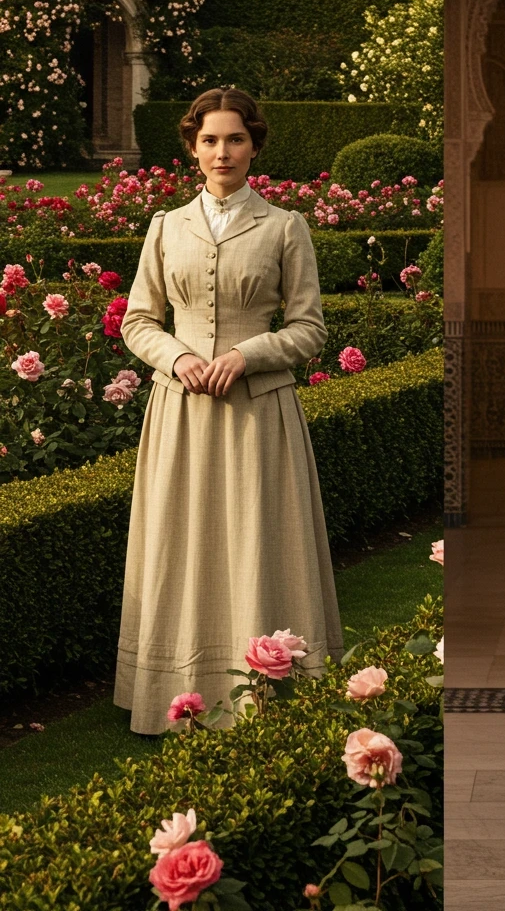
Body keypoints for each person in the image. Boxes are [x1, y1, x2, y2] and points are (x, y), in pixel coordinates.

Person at [113, 87, 343, 734]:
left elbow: (309, 328)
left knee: (257, 544)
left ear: (255, 146)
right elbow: (137, 320)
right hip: (180, 416)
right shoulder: (165, 227)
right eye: (210, 140)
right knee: (181, 546)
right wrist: (177, 358)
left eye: (235, 139)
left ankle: (267, 689)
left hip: (258, 417)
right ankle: (176, 692)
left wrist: (248, 354)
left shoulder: (284, 227)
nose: (223, 151)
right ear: (192, 148)